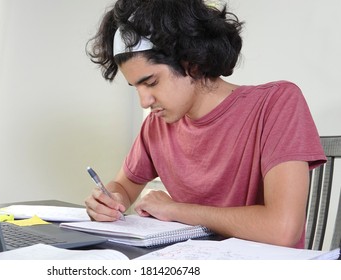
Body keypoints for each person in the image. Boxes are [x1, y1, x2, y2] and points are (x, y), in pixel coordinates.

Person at [84, 0, 326, 248]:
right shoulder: (157, 126)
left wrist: (176, 210)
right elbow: (123, 187)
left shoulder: (276, 103)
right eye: (136, 87)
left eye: (151, 82)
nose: (144, 101)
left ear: (192, 63)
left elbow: (282, 229)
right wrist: (109, 200)